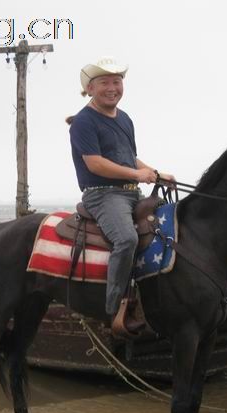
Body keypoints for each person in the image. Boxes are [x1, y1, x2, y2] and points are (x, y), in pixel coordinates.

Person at [68, 57, 176, 334]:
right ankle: (113, 308)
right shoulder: (83, 121)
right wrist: (137, 175)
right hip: (102, 195)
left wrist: (156, 172)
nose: (112, 88)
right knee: (126, 239)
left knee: (172, 223)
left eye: (117, 82)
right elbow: (96, 164)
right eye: (104, 82)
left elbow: (130, 158)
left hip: (131, 192)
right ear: (90, 89)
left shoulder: (125, 119)